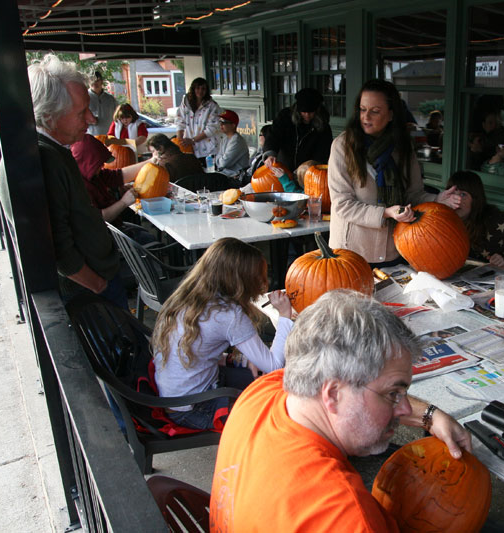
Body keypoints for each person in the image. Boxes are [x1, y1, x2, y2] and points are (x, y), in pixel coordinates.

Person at [210, 290, 472, 531]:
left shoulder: (263, 391)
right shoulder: (350, 518)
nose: (403, 408)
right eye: (393, 394)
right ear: (333, 394)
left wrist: (429, 414)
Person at [14, 54, 126, 309]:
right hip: (89, 291)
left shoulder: (57, 151)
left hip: (97, 282)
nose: (92, 119)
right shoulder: (44, 159)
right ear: (51, 115)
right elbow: (58, 246)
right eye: (81, 112)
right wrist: (98, 285)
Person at [151, 238, 292, 430]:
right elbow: (274, 366)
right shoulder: (228, 314)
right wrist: (285, 316)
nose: (264, 281)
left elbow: (199, 347)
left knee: (257, 376)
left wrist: (248, 356)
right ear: (242, 280)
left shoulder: (189, 297)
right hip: (197, 407)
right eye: (259, 276)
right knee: (281, 391)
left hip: (174, 396)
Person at [328, 79, 460, 266]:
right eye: (362, 109)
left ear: (390, 115)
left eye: (375, 111)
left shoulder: (402, 147)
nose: (366, 117)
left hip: (394, 248)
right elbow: (342, 204)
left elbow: (413, 195)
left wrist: (438, 199)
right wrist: (386, 213)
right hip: (352, 251)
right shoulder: (343, 146)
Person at [448, 171, 504, 269]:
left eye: (463, 194)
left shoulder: (496, 220)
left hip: (501, 277)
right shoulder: (442, 218)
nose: (456, 199)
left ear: (475, 199)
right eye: (451, 193)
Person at [70, 134, 152, 224]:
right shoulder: (79, 188)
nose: (102, 166)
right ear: (87, 163)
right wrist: (124, 202)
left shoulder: (95, 175)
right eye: (98, 164)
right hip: (103, 234)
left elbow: (119, 175)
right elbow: (98, 219)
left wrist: (151, 161)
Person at [264, 88, 333, 171]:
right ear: (297, 109)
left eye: (311, 112)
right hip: (282, 167)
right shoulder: (285, 117)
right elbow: (273, 136)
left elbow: (323, 153)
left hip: (308, 172)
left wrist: (309, 167)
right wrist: (270, 154)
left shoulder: (324, 127)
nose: (307, 115)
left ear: (317, 110)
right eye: (303, 112)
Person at [175, 77, 222, 163]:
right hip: (189, 149)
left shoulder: (212, 106)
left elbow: (211, 128)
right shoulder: (185, 103)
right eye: (198, 88)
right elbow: (180, 120)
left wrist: (193, 140)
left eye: (203, 89)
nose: (200, 91)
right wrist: (179, 140)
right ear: (193, 89)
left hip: (208, 149)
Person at [214, 110, 250, 185]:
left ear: (233, 125)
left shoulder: (237, 141)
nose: (221, 125)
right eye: (220, 122)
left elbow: (224, 163)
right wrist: (220, 160)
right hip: (226, 176)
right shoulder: (225, 138)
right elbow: (218, 159)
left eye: (224, 122)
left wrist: (219, 160)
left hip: (236, 179)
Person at [87, 71, 117, 137]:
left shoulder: (110, 99)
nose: (94, 83)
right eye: (92, 81)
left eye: (97, 80)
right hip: (91, 138)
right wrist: (90, 120)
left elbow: (118, 117)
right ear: (88, 82)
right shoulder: (84, 98)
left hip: (109, 138)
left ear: (101, 81)